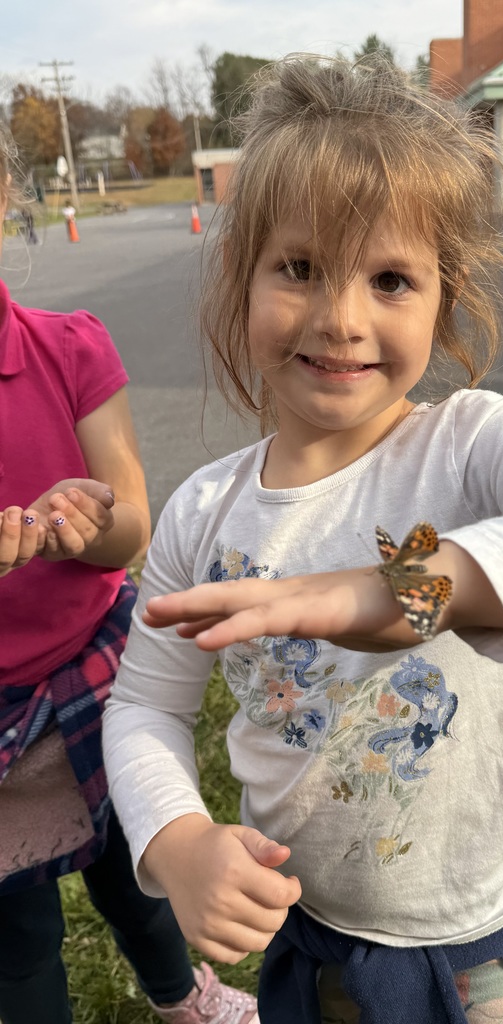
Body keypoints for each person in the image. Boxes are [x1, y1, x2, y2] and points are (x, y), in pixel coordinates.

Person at [101, 55, 503, 1024]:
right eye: (298, 267)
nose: (340, 317)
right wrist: (174, 837)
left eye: (389, 277)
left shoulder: (472, 449)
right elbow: (144, 705)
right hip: (315, 934)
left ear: (443, 298)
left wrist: (423, 585)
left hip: (486, 940)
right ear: (241, 277)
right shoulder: (201, 513)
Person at [0, 130, 260, 1024]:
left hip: (90, 675)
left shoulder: (68, 349)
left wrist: (85, 528)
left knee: (136, 873)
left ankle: (182, 996)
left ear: (3, 190)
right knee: (16, 938)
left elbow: (134, 530)